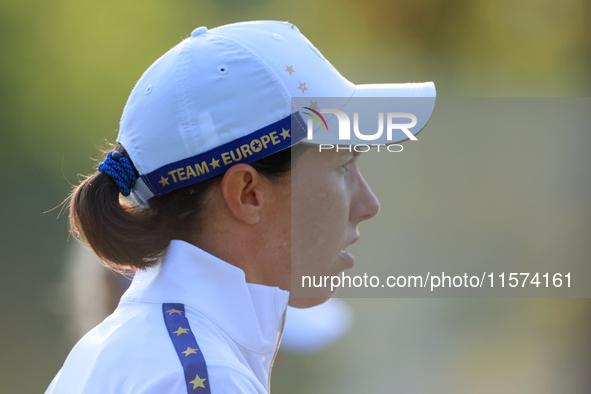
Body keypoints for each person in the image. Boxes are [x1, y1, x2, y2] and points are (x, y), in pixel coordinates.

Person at [45, 20, 435, 393]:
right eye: (342, 167)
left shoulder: (134, 348)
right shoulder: (201, 376)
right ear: (248, 193)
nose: (368, 204)